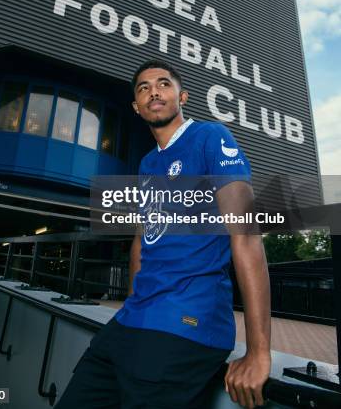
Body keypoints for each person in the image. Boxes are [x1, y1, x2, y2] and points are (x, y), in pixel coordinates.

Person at [55, 59, 271, 409]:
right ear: (136, 107)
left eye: (163, 84)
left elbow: (246, 233)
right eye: (143, 88)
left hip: (186, 323)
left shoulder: (210, 137)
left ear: (182, 96)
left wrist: (259, 353)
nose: (153, 90)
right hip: (131, 322)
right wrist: (131, 305)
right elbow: (142, 240)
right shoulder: (147, 164)